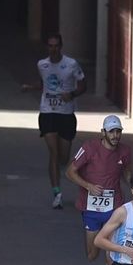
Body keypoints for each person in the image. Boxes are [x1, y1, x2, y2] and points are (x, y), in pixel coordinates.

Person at [65, 115, 133, 265]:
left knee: (111, 257)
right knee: (92, 255)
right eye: (111, 131)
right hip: (91, 210)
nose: (115, 135)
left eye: (118, 131)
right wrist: (88, 186)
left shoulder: (125, 151)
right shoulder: (89, 148)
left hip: (115, 209)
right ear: (103, 132)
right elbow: (70, 172)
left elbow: (126, 172)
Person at [21, 33, 85, 209]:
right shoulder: (42, 64)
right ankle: (57, 193)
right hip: (47, 112)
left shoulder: (71, 64)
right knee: (53, 152)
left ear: (61, 46)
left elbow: (82, 85)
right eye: (50, 46)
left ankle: (61, 172)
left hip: (66, 114)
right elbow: (44, 84)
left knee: (64, 159)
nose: (53, 49)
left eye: (56, 45)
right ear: (47, 47)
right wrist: (30, 87)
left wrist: (71, 94)